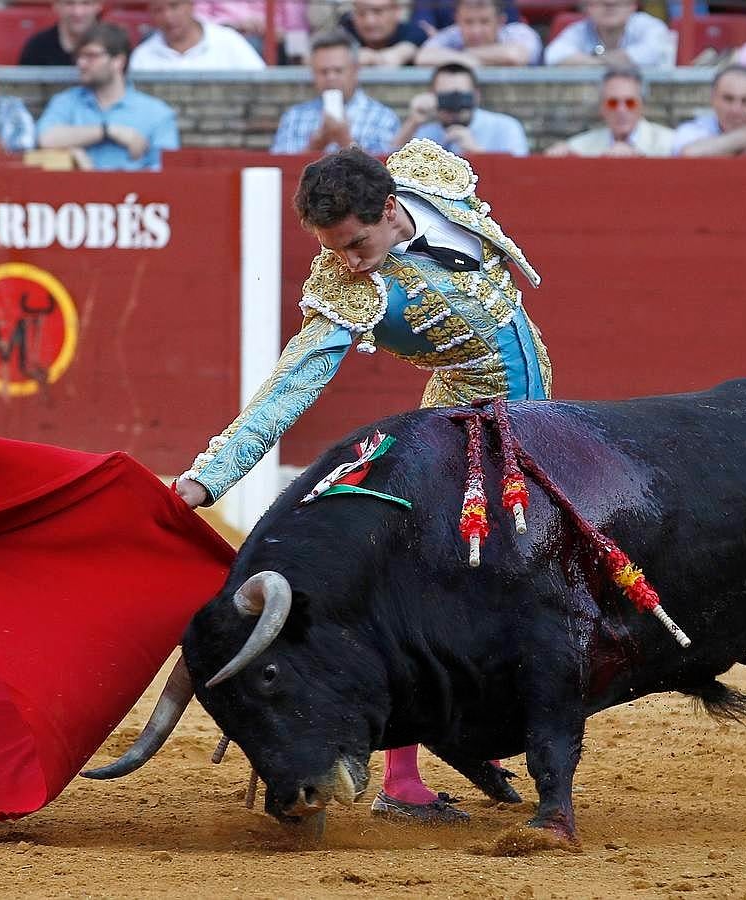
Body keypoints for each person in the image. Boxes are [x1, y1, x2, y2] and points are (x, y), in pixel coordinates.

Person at [175, 140, 550, 824]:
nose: (346, 260)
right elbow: (288, 389)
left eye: (354, 242)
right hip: (458, 429)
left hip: (532, 416)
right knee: (435, 590)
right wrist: (208, 479)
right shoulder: (349, 289)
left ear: (390, 206)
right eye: (332, 247)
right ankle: (403, 778)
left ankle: (470, 728)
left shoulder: (428, 180)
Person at [36, 23, 180, 170]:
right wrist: (106, 131)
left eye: (91, 56)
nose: (81, 63)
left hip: (135, 191)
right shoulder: (66, 102)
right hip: (75, 191)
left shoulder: (156, 113)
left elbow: (165, 172)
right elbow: (45, 139)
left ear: (118, 61)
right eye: (79, 56)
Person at [269, 30, 400, 155]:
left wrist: (346, 141)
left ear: (355, 70)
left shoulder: (383, 118)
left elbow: (385, 173)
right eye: (323, 71)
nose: (331, 77)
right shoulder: (294, 117)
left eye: (338, 70)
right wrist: (317, 144)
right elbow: (282, 170)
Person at [392, 62, 529, 156]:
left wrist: (477, 152)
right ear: (432, 96)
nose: (454, 104)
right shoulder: (425, 133)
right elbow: (389, 167)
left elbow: (519, 173)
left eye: (462, 96)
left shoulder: (506, 128)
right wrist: (413, 122)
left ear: (476, 96)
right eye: (446, 96)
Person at [545, 65, 674, 157]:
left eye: (630, 103)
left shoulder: (671, 143)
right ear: (602, 108)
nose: (621, 110)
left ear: (642, 106)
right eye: (613, 103)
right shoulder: (581, 146)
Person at [128, 0, 266, 71]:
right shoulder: (143, 56)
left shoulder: (228, 41)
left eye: (174, 6)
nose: (168, 17)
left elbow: (262, 85)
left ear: (191, 4)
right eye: (158, 10)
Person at [543, 0, 674, 69]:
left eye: (617, 3)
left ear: (633, 5)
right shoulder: (580, 29)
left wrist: (593, 59)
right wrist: (606, 62)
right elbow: (553, 56)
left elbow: (651, 54)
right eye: (602, 3)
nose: (610, 6)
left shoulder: (650, 26)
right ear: (588, 5)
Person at [415, 0, 542, 68]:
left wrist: (465, 56)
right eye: (468, 22)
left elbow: (515, 56)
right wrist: (472, 60)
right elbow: (423, 57)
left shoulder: (519, 31)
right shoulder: (452, 33)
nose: (476, 30)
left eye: (484, 22)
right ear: (457, 20)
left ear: (500, 21)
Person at [341, 0, 428, 66]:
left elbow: (394, 58)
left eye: (378, 11)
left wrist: (371, 58)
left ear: (397, 11)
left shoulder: (415, 33)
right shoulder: (346, 32)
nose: (369, 21)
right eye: (361, 13)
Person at [18, 0, 102, 66]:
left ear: (99, 5)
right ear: (56, 5)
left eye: (86, 3)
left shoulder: (113, 44)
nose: (77, 12)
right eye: (69, 3)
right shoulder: (37, 46)